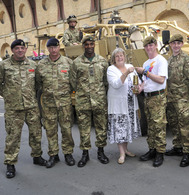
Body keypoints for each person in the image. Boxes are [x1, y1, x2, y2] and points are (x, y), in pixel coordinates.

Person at [0, 39, 47, 178]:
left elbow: (37, 84)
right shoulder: (4, 65)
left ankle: (37, 157)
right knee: (13, 136)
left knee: (36, 133)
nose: (20, 50)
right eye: (17, 48)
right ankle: (10, 163)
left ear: (25, 49)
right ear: (13, 50)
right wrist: (8, 95)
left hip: (31, 106)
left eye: (22, 48)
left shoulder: (33, 65)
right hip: (13, 108)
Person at [70, 35, 109, 167]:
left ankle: (101, 152)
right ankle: (85, 154)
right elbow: (73, 82)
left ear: (94, 45)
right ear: (83, 46)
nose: (89, 47)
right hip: (83, 101)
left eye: (91, 44)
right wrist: (82, 92)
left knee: (101, 127)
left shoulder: (102, 62)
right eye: (86, 44)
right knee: (84, 129)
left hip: (99, 100)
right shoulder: (76, 63)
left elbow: (106, 82)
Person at [36, 38, 75, 168]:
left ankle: (68, 153)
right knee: (50, 130)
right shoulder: (41, 65)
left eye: (55, 47)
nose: (53, 50)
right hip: (48, 105)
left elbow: (74, 83)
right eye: (50, 48)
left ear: (59, 47)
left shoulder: (68, 63)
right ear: (48, 49)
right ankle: (53, 155)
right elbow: (38, 84)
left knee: (66, 130)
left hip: (64, 103)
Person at [165, 34, 189, 167]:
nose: (176, 46)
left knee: (185, 126)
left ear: (182, 44)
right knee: (174, 123)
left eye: (178, 43)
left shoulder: (187, 59)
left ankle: (187, 152)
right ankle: (178, 146)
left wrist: (185, 86)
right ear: (171, 45)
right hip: (171, 98)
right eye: (174, 43)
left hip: (183, 99)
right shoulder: (169, 60)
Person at [135, 36, 168, 167]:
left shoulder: (161, 60)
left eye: (151, 45)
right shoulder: (146, 63)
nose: (149, 48)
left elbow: (161, 80)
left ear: (155, 45)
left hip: (158, 98)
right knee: (150, 126)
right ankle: (152, 150)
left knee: (159, 126)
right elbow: (146, 82)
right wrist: (140, 87)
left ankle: (160, 153)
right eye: (146, 46)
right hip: (148, 97)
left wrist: (145, 72)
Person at [107, 48, 141, 164]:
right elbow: (116, 84)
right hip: (118, 105)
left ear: (124, 57)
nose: (120, 58)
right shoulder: (111, 69)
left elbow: (136, 81)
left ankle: (126, 150)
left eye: (121, 55)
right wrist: (126, 73)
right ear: (113, 59)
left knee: (127, 128)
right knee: (120, 129)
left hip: (130, 104)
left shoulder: (130, 65)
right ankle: (121, 153)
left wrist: (137, 87)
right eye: (117, 56)